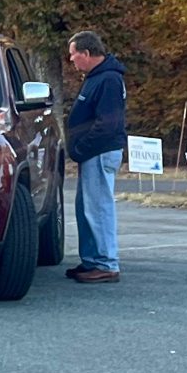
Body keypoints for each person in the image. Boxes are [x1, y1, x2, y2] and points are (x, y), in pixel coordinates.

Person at [64, 30, 127, 283]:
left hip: (99, 152)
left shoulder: (108, 80)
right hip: (93, 153)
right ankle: (92, 260)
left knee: (98, 208)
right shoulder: (96, 78)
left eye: (73, 54)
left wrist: (81, 148)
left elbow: (107, 124)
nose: (71, 60)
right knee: (86, 208)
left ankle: (106, 263)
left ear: (86, 53)